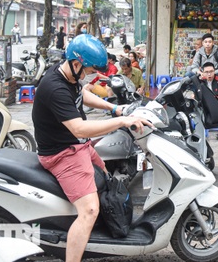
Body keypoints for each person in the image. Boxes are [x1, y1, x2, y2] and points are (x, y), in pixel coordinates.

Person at [32, 34, 151, 262]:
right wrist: (121, 121)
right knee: (89, 211)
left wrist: (114, 109)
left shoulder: (67, 73)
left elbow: (82, 94)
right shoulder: (54, 87)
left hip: (77, 146)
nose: (91, 75)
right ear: (77, 64)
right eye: (88, 70)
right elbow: (79, 129)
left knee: (106, 175)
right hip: (62, 154)